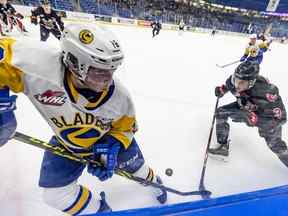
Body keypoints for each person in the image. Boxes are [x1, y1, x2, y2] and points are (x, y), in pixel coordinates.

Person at [0, 23, 167, 215]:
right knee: (55, 195)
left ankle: (154, 183)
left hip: (105, 140)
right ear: (72, 62)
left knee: (137, 170)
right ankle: (99, 210)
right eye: (98, 71)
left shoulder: (120, 97)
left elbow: (126, 128)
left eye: (111, 70)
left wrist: (112, 147)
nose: (107, 79)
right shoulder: (37, 66)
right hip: (67, 143)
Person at [209, 61, 288, 167]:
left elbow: (281, 118)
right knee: (221, 112)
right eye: (236, 80)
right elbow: (229, 84)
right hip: (246, 106)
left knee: (275, 145)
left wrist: (257, 120)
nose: (237, 85)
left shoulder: (267, 93)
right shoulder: (235, 80)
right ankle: (222, 147)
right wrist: (222, 89)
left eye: (241, 83)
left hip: (266, 117)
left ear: (251, 82)